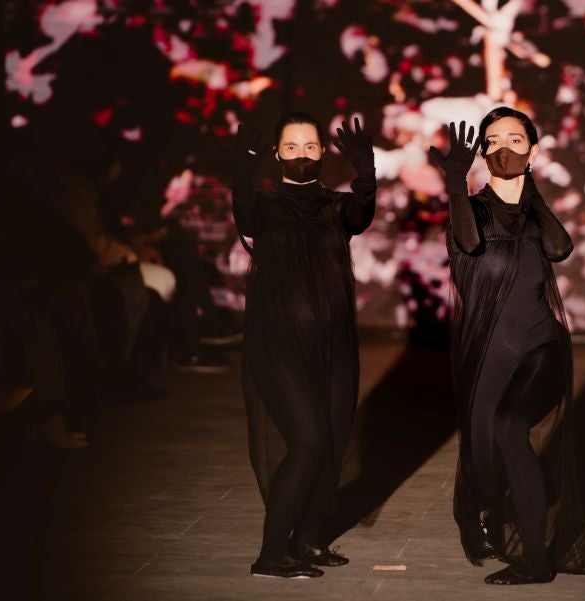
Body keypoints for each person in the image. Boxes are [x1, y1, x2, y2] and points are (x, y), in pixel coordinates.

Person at [430, 107, 585, 585]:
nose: (503, 148)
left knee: (509, 425)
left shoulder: (537, 215)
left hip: (541, 346)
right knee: (485, 461)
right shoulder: (472, 209)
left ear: (533, 150)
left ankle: (536, 561)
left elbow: (560, 247)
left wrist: (531, 190)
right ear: (481, 151)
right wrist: (457, 185)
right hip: (487, 354)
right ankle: (484, 510)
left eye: (515, 140)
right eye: (492, 140)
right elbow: (468, 243)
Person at [232, 110, 376, 579]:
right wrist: (243, 162)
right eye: (291, 148)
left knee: (330, 441)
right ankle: (271, 553)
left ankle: (309, 540)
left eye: (309, 147)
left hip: (332, 344)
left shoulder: (336, 207)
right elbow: (244, 214)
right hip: (278, 344)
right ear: (277, 155)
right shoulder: (265, 207)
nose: (301, 155)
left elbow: (362, 215)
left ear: (322, 152)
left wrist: (366, 171)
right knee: (310, 439)